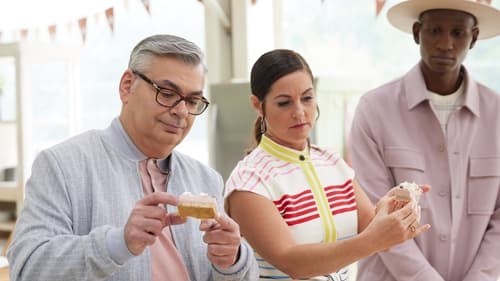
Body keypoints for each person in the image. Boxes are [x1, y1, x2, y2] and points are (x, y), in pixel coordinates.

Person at [7, 34, 258, 281]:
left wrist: (233, 260)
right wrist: (118, 243)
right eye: (167, 93)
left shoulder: (205, 179)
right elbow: (27, 268)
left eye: (192, 100)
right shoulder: (63, 165)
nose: (181, 111)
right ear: (127, 86)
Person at [224, 49, 430, 281]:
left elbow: (374, 233)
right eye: (284, 103)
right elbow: (293, 262)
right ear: (258, 106)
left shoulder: (332, 163)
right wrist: (373, 239)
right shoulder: (249, 182)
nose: (300, 112)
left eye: (307, 98)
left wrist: (391, 208)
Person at [349, 1, 500, 280]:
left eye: (457, 33)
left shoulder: (497, 115)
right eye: (434, 31)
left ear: (474, 37)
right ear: (417, 32)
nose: (445, 43)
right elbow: (372, 214)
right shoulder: (374, 110)